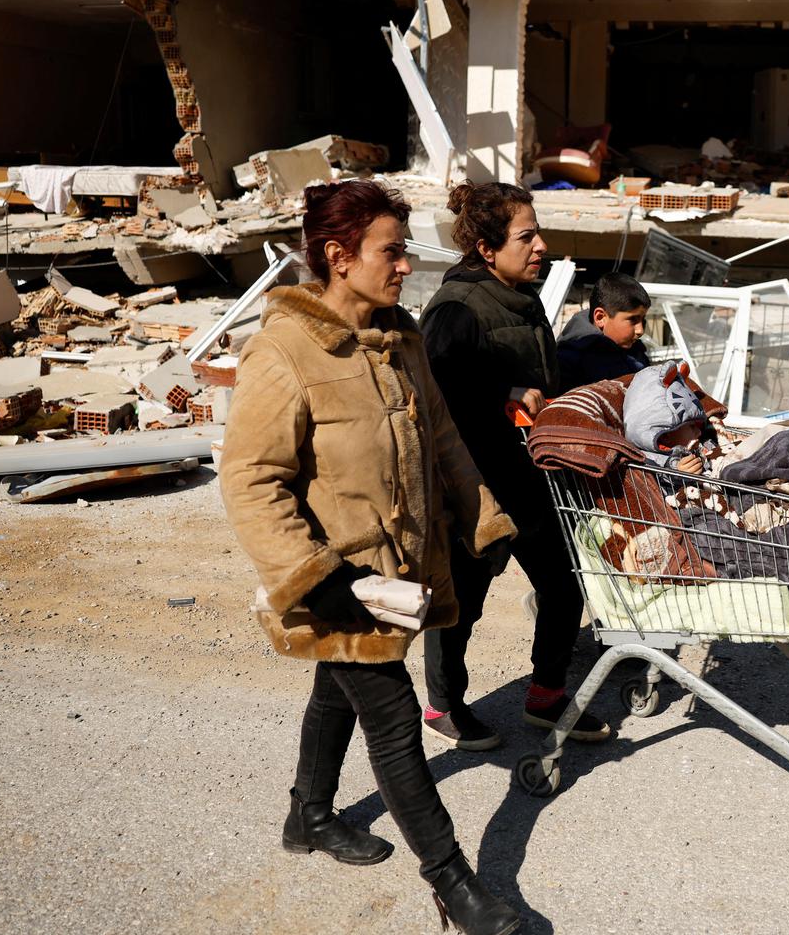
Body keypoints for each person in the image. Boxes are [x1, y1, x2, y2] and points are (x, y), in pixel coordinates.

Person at [219, 179, 521, 935]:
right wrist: (317, 578)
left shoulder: (401, 338)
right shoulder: (284, 350)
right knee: (391, 721)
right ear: (338, 256)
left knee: (336, 688)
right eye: (392, 251)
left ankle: (308, 817)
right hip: (342, 582)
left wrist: (483, 519)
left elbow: (445, 440)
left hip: (399, 574)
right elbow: (250, 479)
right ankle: (456, 887)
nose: (404, 266)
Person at [420, 181, 612, 750]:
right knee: (463, 603)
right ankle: (444, 705)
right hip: (477, 483)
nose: (541, 246)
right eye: (526, 236)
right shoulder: (455, 309)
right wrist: (503, 392)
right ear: (486, 248)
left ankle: (547, 697)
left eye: (537, 233)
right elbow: (434, 394)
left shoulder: (523, 299)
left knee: (563, 583)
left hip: (533, 477)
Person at [555, 271, 652, 388]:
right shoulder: (570, 361)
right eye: (632, 320)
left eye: (643, 320)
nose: (640, 330)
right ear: (600, 317)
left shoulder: (635, 350)